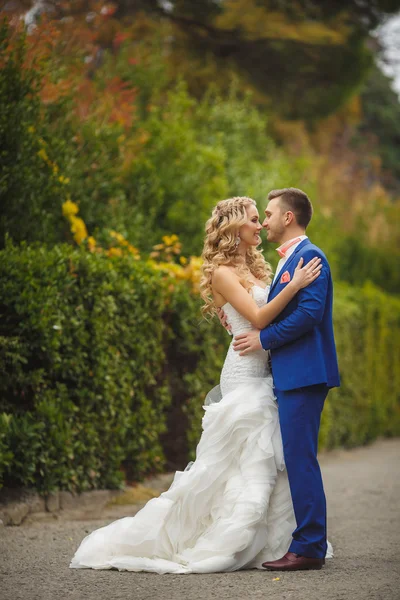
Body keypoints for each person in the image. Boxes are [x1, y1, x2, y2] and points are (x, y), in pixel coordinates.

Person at [70, 195, 324, 574]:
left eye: (262, 219)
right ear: (235, 227)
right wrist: (295, 285)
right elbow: (257, 316)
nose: (260, 226)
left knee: (269, 459)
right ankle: (231, 537)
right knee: (240, 460)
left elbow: (273, 322)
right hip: (242, 372)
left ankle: (279, 541)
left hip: (267, 370)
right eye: (254, 220)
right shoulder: (223, 272)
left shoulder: (258, 267)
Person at [227, 188, 340, 571]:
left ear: (288, 218)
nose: (267, 220)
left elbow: (308, 315)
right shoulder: (291, 260)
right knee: (295, 458)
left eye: (270, 213)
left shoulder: (309, 257)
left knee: (299, 459)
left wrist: (263, 338)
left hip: (304, 373)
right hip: (291, 374)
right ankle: (307, 541)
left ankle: (309, 546)